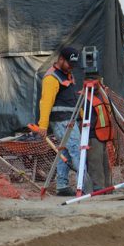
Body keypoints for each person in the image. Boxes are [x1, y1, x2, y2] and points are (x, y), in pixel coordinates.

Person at [36, 47, 90, 196]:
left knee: (64, 152)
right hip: (62, 121)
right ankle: (84, 187)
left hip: (69, 119)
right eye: (69, 63)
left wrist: (82, 115)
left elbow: (73, 99)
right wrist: (43, 125)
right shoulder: (52, 78)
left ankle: (62, 185)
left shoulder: (67, 75)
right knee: (77, 151)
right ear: (61, 59)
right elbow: (45, 102)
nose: (71, 66)